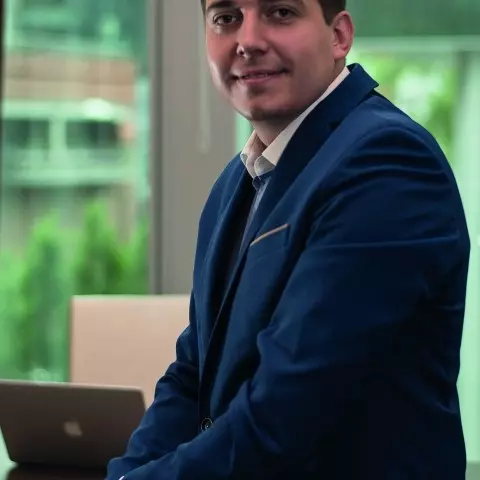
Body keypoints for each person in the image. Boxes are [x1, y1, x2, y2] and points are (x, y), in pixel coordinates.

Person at [106, 0, 470, 478]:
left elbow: (284, 415)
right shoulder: (236, 183)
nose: (248, 41)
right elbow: (192, 373)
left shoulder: (386, 163)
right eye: (226, 18)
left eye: (280, 13)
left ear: (339, 36)